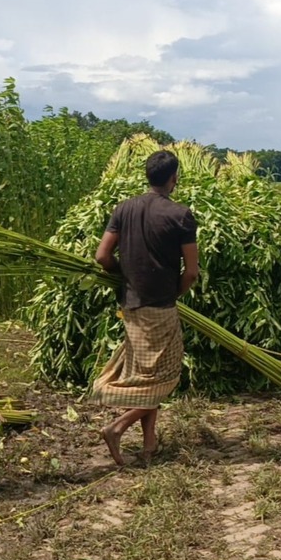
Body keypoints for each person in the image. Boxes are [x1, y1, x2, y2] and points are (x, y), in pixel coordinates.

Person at [89, 149, 199, 465]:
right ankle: (117, 428)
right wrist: (175, 293)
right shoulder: (180, 215)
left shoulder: (123, 209)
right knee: (167, 376)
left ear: (148, 176)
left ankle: (149, 445)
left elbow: (102, 256)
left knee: (147, 378)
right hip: (161, 308)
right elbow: (191, 272)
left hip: (131, 306)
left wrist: (123, 275)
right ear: (173, 178)